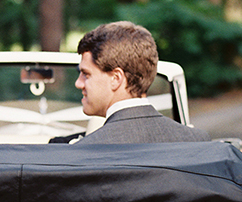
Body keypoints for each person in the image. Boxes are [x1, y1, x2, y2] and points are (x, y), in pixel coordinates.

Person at [69, 21, 210, 144]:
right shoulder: (197, 140)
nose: (78, 83)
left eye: (86, 74)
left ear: (116, 78)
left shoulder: (88, 150)